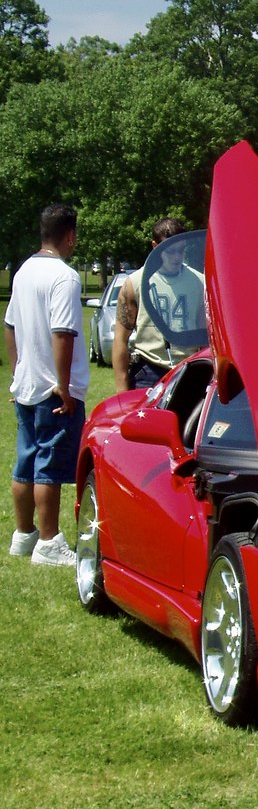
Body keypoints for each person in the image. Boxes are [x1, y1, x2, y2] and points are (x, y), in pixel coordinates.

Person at [5, 204, 89, 566]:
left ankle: (23, 535)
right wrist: (64, 386)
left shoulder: (23, 271)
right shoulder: (65, 276)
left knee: (25, 462)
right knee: (49, 466)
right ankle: (50, 541)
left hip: (25, 384)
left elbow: (8, 326)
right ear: (69, 235)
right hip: (52, 389)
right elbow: (63, 333)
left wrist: (17, 371)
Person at [113, 218, 205, 392]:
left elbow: (204, 336)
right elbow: (120, 339)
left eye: (181, 250)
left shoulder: (199, 283)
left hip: (189, 370)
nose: (177, 257)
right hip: (149, 371)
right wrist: (121, 390)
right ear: (155, 247)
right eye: (170, 251)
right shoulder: (135, 282)